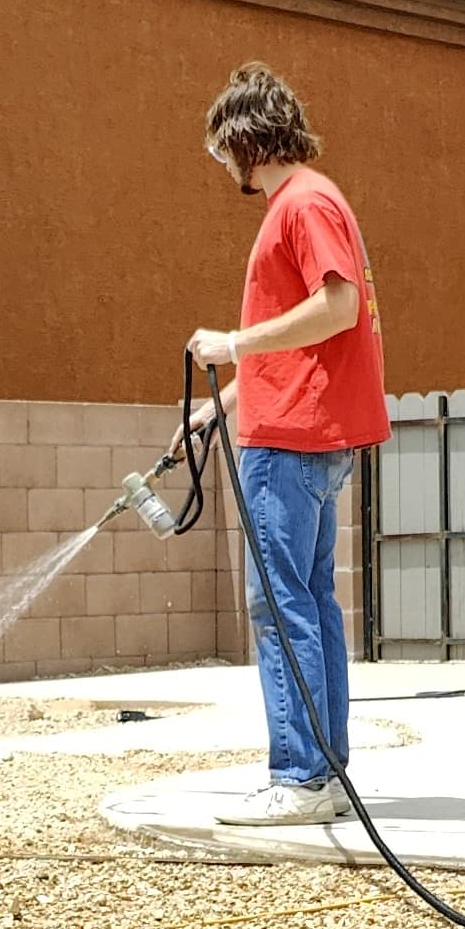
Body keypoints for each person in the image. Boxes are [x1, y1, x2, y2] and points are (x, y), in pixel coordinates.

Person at [188, 63, 389, 824]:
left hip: (291, 441)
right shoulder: (314, 201)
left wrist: (233, 344)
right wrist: (225, 404)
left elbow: (336, 308)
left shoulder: (302, 203)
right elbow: (308, 342)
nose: (221, 167)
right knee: (311, 604)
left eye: (221, 151)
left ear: (244, 140)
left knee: (279, 608)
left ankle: (300, 777)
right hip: (307, 428)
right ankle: (326, 771)